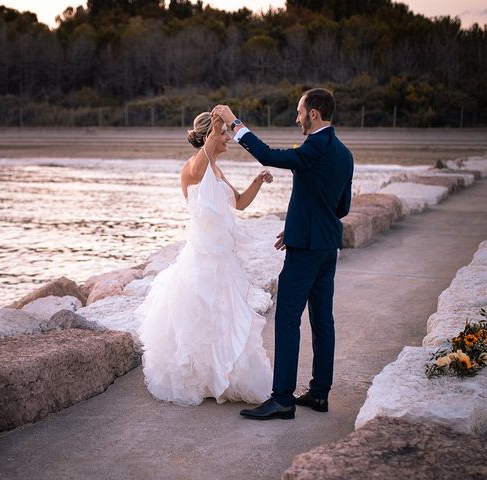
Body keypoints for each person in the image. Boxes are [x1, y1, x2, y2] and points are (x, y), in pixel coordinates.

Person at [212, 87, 353, 420]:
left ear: (313, 114)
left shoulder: (312, 148)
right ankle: (319, 394)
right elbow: (341, 207)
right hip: (326, 247)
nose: (297, 118)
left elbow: (267, 155)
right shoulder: (345, 153)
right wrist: (298, 228)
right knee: (323, 320)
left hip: (306, 250)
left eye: (300, 111)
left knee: (287, 318)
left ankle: (283, 399)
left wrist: (235, 123)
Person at [135, 111, 274, 406]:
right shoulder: (192, 168)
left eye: (225, 133)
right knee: (200, 320)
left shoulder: (219, 172)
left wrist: (258, 179)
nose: (228, 139)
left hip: (223, 258)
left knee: (225, 319)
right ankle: (202, 379)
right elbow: (199, 171)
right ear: (209, 135)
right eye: (224, 134)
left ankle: (223, 376)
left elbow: (239, 203)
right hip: (200, 259)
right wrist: (215, 128)